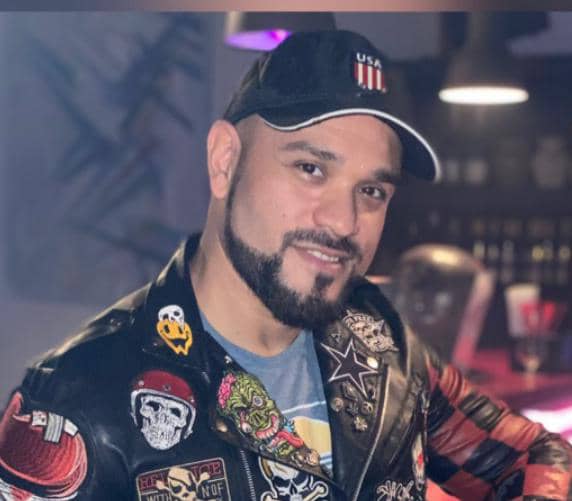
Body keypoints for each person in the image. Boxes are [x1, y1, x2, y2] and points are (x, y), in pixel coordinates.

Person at [0, 29, 570, 501]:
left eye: (372, 191)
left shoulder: (383, 341)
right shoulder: (75, 402)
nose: (343, 221)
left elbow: (535, 454)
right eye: (311, 169)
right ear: (225, 162)